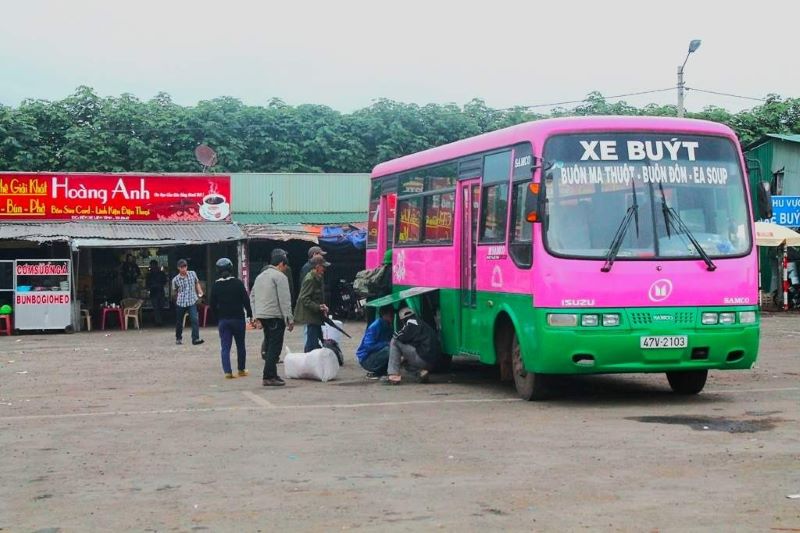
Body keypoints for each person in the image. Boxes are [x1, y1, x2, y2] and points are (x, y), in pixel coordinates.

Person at [251, 248, 294, 387]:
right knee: (275, 347)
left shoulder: (260, 276)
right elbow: (284, 299)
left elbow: (252, 296)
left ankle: (272, 374)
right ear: (281, 264)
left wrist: (255, 315)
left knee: (269, 344)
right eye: (285, 266)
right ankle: (269, 376)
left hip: (263, 315)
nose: (284, 269)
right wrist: (289, 318)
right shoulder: (280, 277)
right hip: (275, 316)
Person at [209, 258, 253, 379]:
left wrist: (217, 317)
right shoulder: (238, 283)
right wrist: (250, 314)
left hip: (223, 320)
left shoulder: (216, 285)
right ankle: (241, 370)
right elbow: (246, 300)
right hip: (238, 319)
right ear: (231, 268)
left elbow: (212, 305)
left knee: (225, 347)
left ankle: (228, 372)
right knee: (240, 345)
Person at [384, 307, 440, 385]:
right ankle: (420, 373)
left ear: (402, 319)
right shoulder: (422, 324)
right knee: (406, 364)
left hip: (423, 359)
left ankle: (393, 376)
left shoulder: (411, 323)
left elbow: (399, 336)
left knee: (394, 341)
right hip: (432, 363)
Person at [294, 254, 330, 353]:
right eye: (323, 267)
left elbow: (317, 296)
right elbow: (304, 298)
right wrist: (318, 307)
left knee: (316, 341)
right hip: (310, 316)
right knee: (312, 343)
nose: (324, 269)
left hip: (315, 316)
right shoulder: (310, 279)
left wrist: (322, 306)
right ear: (317, 267)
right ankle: (308, 362)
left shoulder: (317, 277)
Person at [172, 258, 204, 346]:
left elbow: (196, 283)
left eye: (185, 266)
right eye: (182, 267)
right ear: (178, 268)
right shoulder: (175, 280)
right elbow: (174, 292)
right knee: (179, 322)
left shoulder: (192, 274)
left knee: (194, 319)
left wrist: (200, 291)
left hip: (191, 301)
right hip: (181, 302)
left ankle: (195, 338)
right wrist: (176, 300)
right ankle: (178, 338)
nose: (184, 268)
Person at [356, 305, 393, 377]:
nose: (393, 316)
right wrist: (386, 344)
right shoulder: (375, 326)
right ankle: (377, 372)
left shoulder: (388, 325)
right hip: (366, 359)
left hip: (375, 355)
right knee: (389, 350)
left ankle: (383, 371)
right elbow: (368, 347)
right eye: (390, 314)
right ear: (384, 315)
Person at [145, 260, 167, 326]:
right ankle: (159, 321)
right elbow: (164, 281)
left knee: (157, 307)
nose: (152, 267)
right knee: (159, 307)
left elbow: (147, 284)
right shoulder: (159, 273)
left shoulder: (150, 274)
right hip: (158, 292)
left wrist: (151, 286)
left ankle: (158, 321)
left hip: (155, 292)